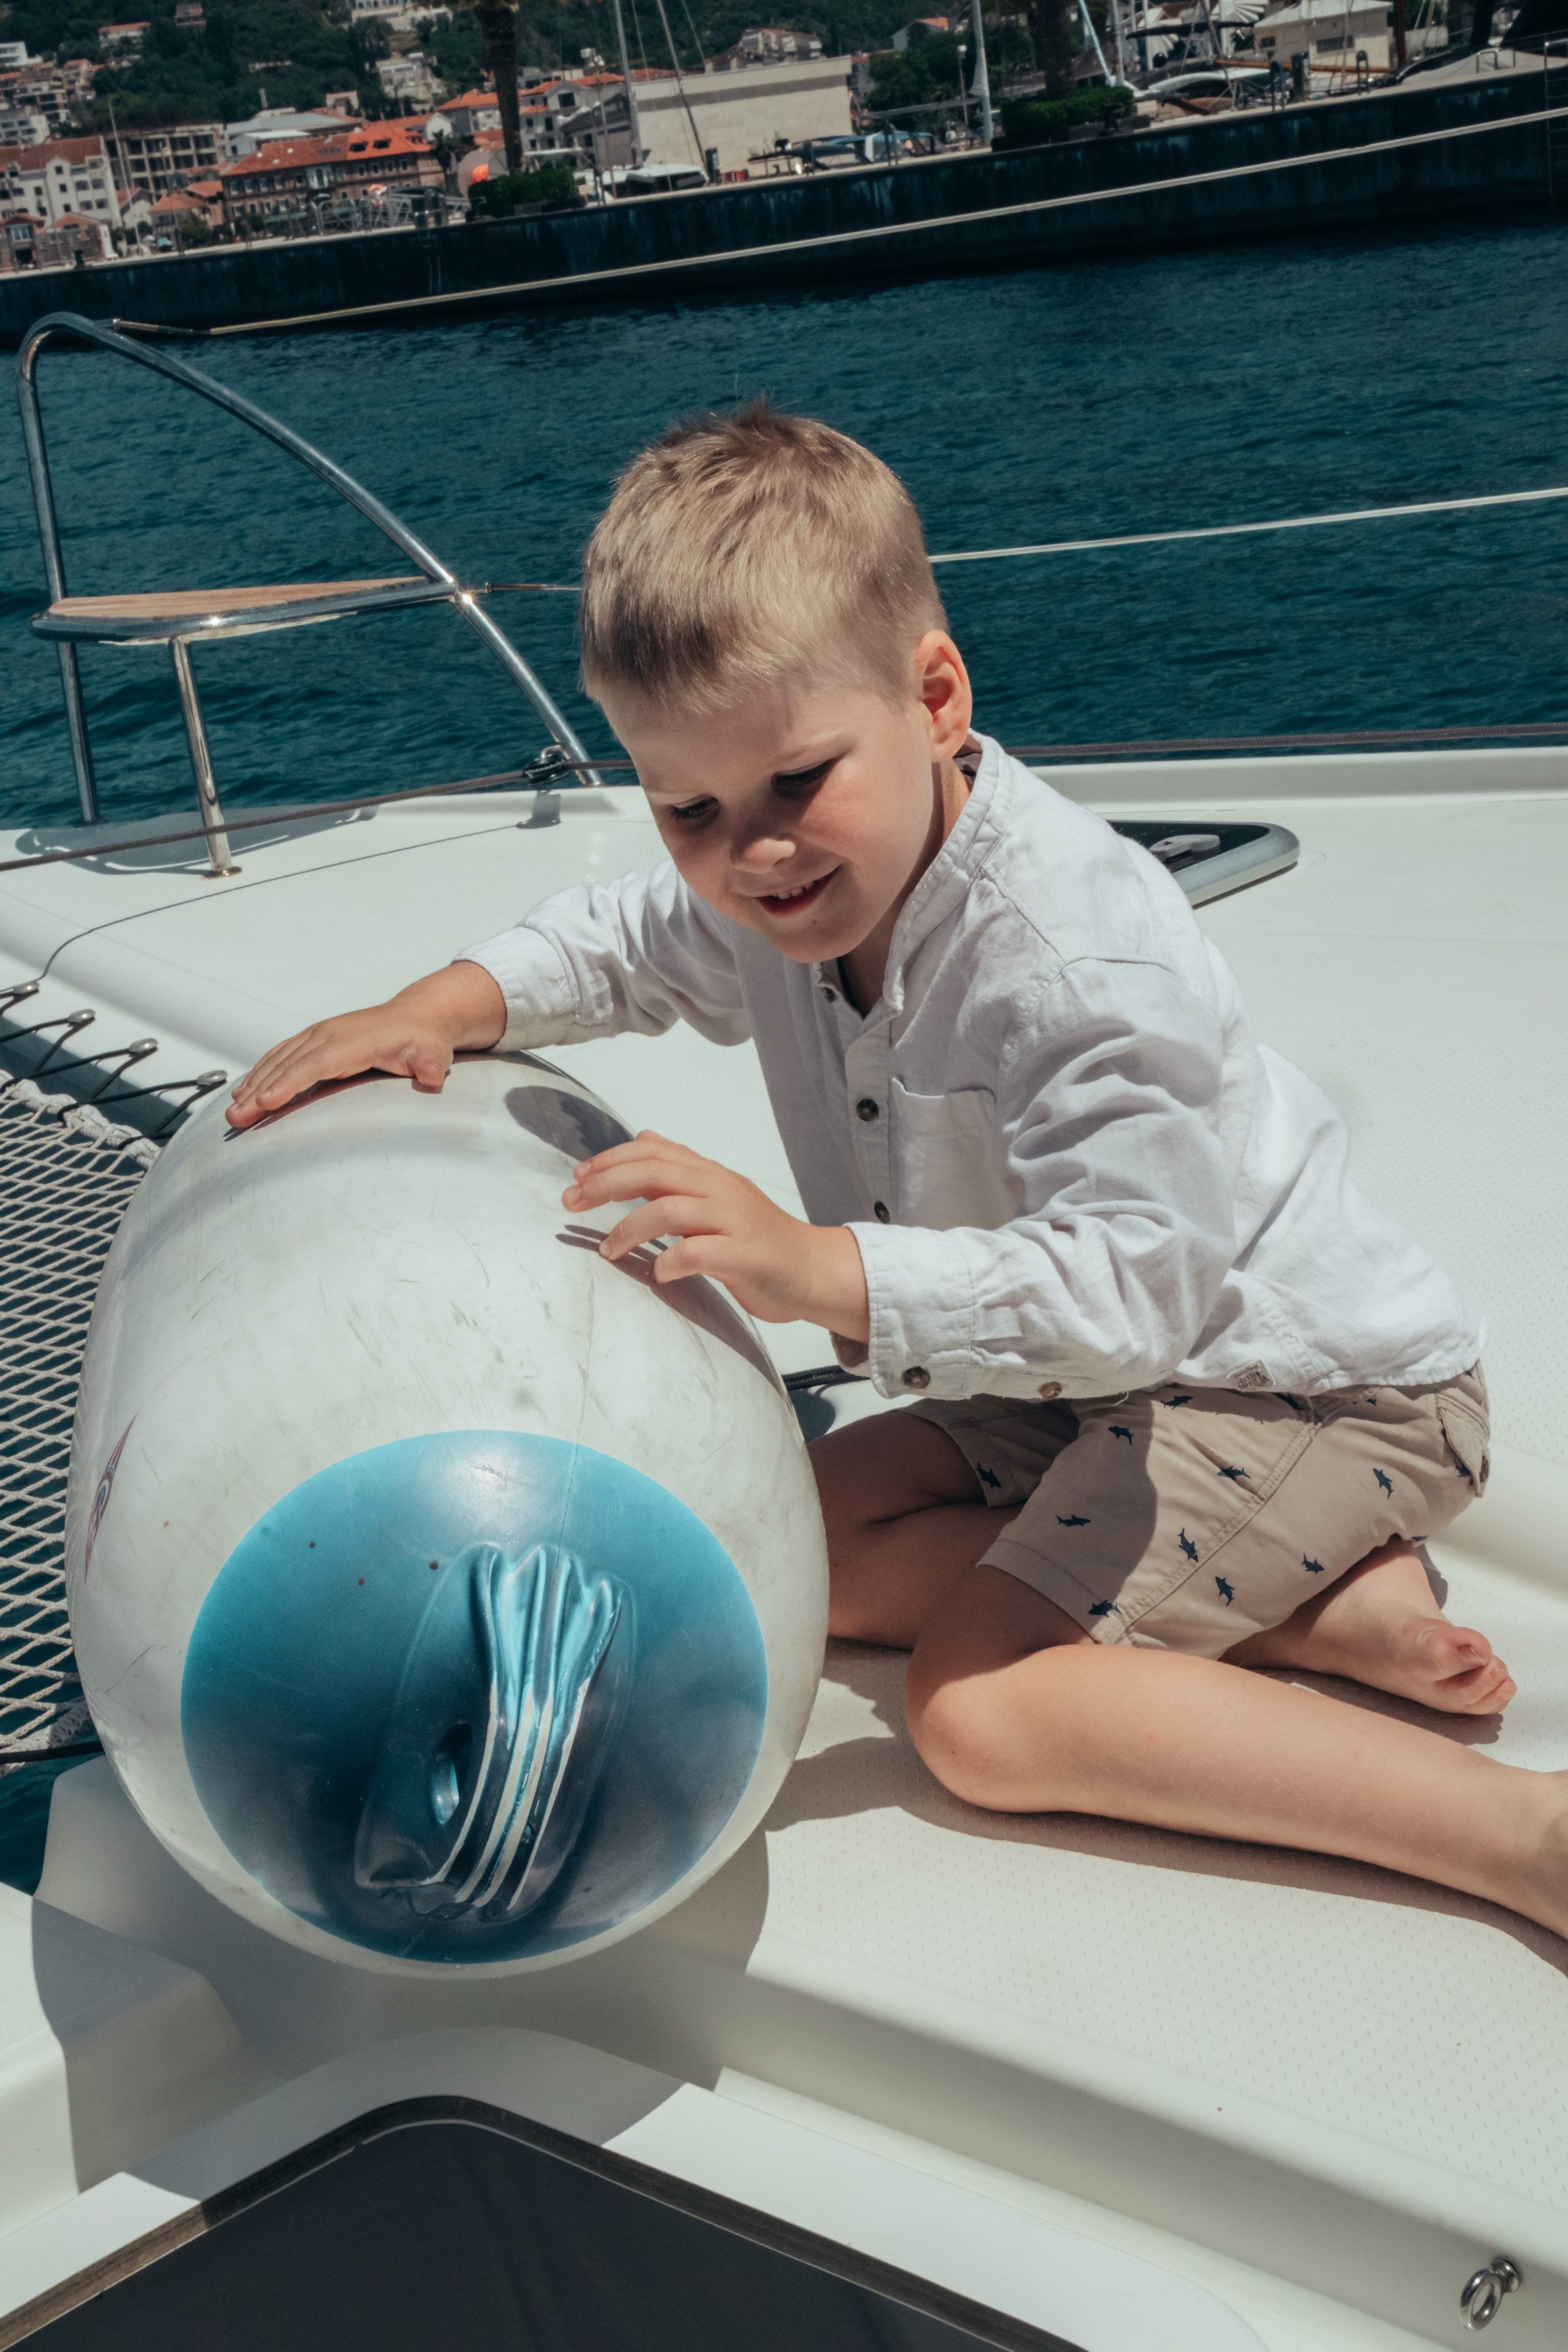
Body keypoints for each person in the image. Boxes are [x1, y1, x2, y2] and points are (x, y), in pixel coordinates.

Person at [228, 402, 1568, 1940]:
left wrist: (812, 1269)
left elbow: (1134, 1291)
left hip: (1289, 1385)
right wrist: (433, 1011)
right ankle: (1309, 1614)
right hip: (1078, 1378)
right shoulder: (779, 895)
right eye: (689, 808)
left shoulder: (1075, 954)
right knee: (794, 1539)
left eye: (797, 782)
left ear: (933, 696)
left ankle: (1515, 1835)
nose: (752, 854)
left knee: (979, 1715)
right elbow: (614, 941)